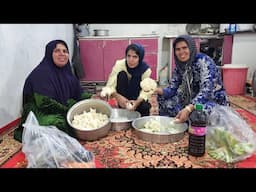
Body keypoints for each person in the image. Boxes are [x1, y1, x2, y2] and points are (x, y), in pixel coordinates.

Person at [14, 39, 91, 142]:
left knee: (86, 113)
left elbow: (78, 94)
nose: (62, 54)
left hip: (60, 108)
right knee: (59, 124)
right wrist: (69, 112)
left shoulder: (68, 74)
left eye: (65, 51)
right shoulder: (41, 73)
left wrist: (92, 98)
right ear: (49, 54)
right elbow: (44, 103)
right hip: (39, 112)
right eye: (57, 51)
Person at [155, 35, 228, 123]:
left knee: (197, 113)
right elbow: (171, 89)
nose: (181, 52)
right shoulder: (180, 66)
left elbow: (206, 92)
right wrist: (158, 90)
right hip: (190, 99)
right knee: (164, 99)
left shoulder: (204, 62)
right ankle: (171, 123)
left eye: (184, 48)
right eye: (178, 49)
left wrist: (189, 108)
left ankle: (191, 121)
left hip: (211, 101)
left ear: (191, 48)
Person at [103, 43, 152, 116]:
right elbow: (110, 84)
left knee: (145, 107)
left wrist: (137, 102)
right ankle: (123, 106)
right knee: (122, 75)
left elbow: (145, 92)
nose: (130, 60)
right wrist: (118, 96)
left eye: (135, 57)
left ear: (140, 58)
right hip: (123, 95)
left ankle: (134, 107)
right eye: (128, 56)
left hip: (137, 96)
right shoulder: (119, 64)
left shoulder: (145, 70)